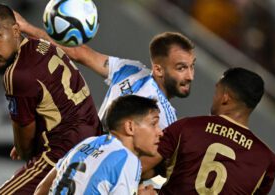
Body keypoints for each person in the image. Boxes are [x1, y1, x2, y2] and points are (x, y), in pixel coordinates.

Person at [15, 12, 196, 189]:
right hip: (77, 161)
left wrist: (26, 27)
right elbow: (78, 52)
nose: (190, 76)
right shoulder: (131, 71)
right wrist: (26, 27)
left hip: (79, 163)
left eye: (192, 66)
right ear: (158, 69)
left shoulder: (164, 118)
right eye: (181, 68)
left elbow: (136, 171)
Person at [0, 3, 102, 194]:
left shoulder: (17, 74)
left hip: (63, 155)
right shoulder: (42, 45)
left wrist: (22, 144)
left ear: (16, 31)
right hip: (95, 142)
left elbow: (24, 146)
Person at [141, 67, 275, 194]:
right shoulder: (266, 160)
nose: (214, 98)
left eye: (217, 91)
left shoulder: (188, 127)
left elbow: (139, 168)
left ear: (225, 97)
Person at [34, 95, 162, 195]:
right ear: (130, 127)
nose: (160, 132)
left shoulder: (87, 142)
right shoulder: (128, 160)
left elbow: (41, 189)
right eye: (153, 124)